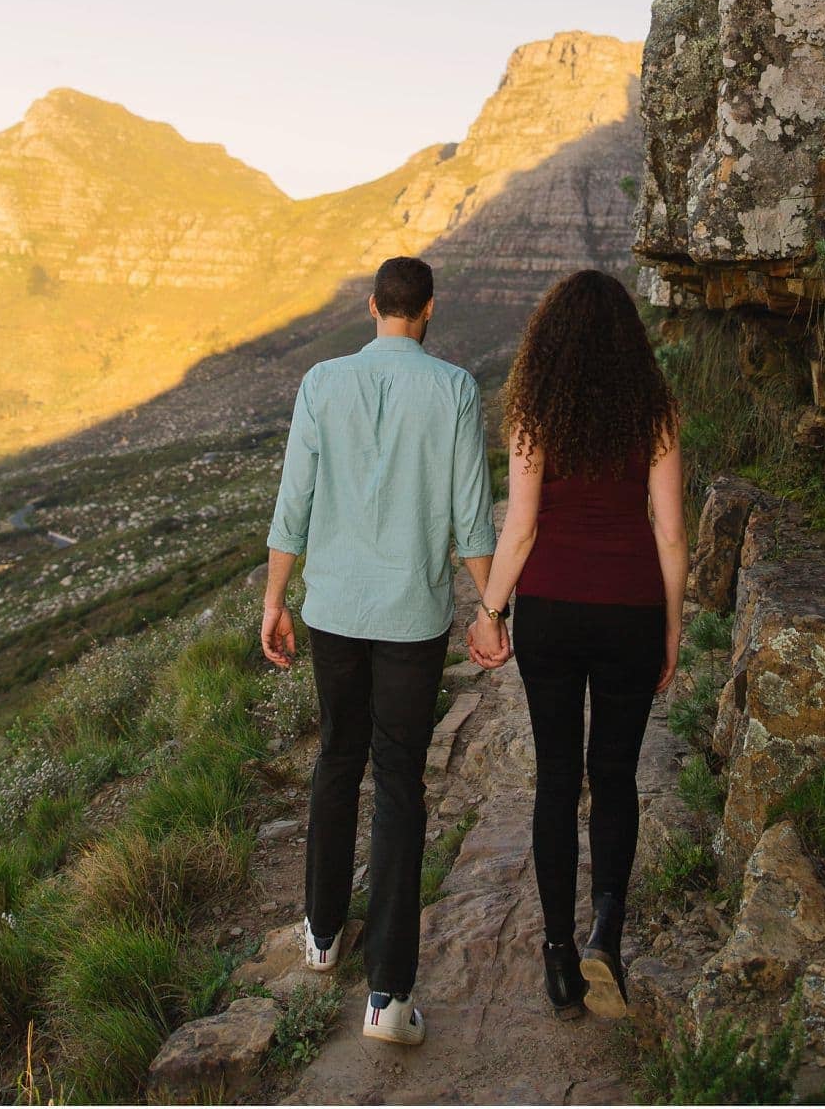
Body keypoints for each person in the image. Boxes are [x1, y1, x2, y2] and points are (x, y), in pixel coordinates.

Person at [261, 255, 498, 1049]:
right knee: (398, 781)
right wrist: (491, 610)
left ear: (372, 306)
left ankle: (322, 936)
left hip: (332, 609)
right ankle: (388, 999)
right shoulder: (455, 388)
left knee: (337, 756)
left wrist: (274, 600)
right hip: (410, 616)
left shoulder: (322, 382)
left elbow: (294, 500)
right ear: (428, 310)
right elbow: (471, 515)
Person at [466, 268, 686, 1020]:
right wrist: (671, 624)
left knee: (557, 778)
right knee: (615, 776)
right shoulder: (653, 409)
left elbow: (521, 527)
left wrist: (491, 611)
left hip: (553, 614)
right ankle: (605, 937)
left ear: (549, 340)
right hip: (630, 609)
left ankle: (559, 957)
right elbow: (670, 532)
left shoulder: (536, 411)